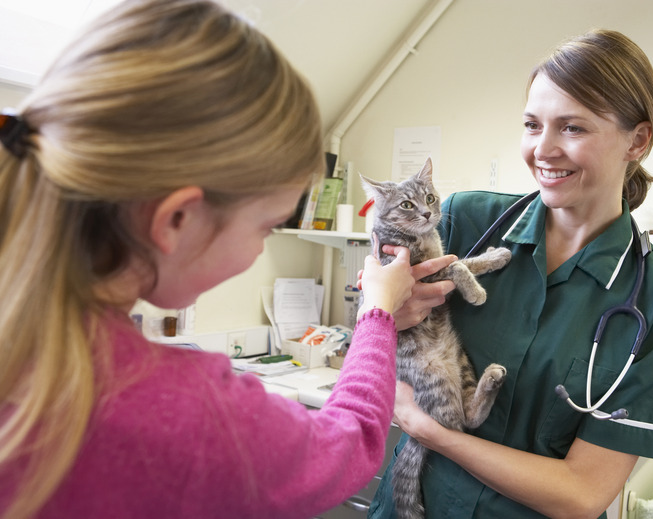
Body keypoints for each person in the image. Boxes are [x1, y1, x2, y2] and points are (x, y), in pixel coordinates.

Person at [0, 1, 419, 518]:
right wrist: (376, 312)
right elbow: (347, 445)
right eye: (265, 227)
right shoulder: (188, 411)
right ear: (177, 220)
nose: (262, 247)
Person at [369, 29, 653, 519]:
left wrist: (433, 432)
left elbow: (582, 495)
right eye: (531, 124)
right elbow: (371, 327)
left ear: (638, 140)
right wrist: (383, 318)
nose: (542, 150)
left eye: (572, 128)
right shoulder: (464, 222)